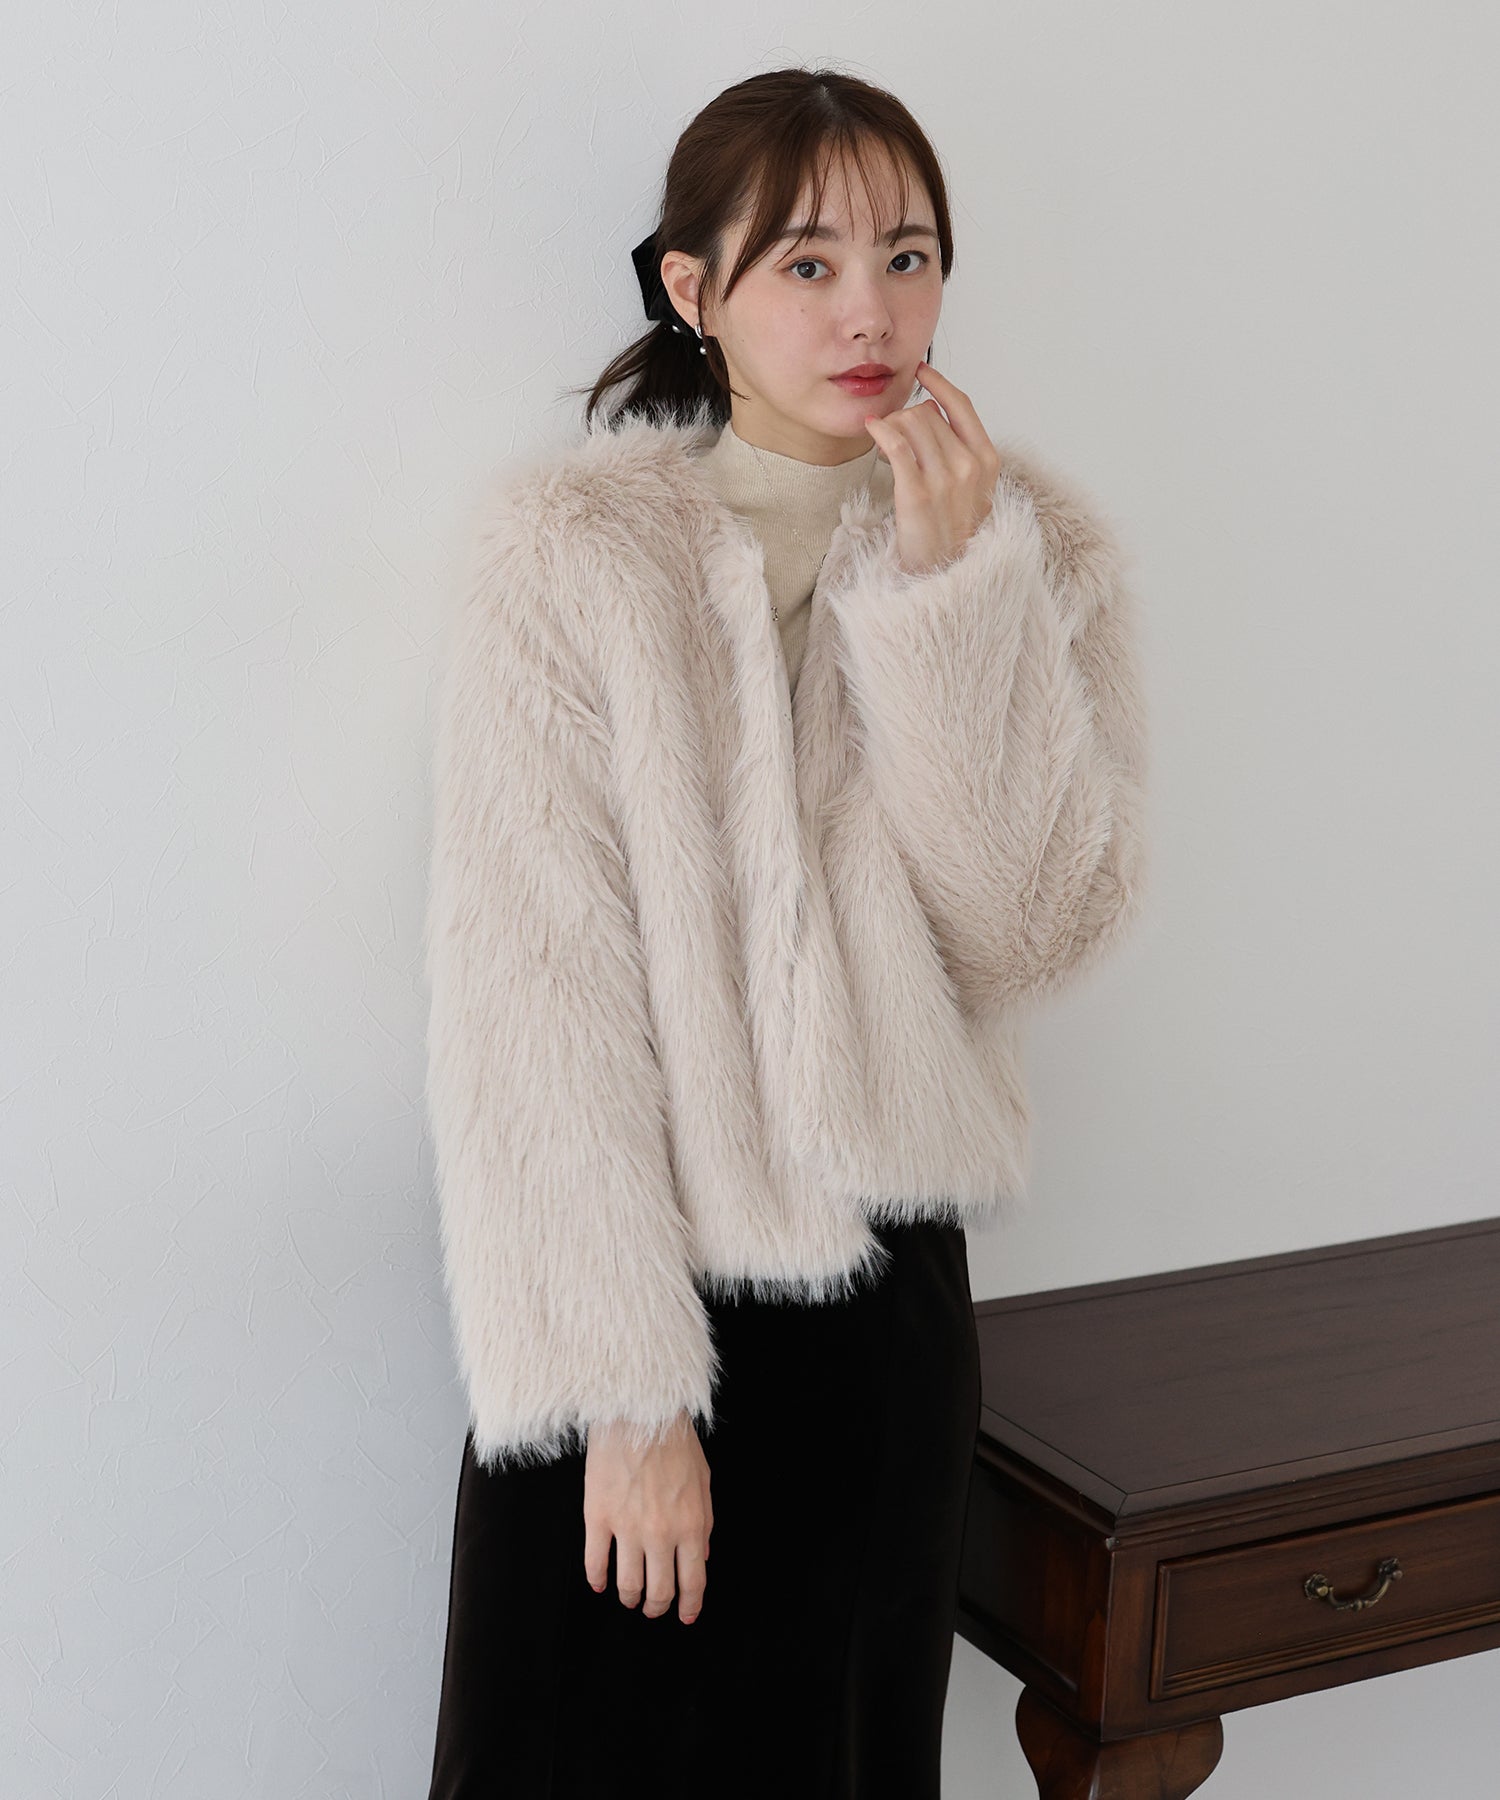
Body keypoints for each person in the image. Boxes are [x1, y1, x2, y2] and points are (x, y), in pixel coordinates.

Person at [422, 65, 1149, 1800]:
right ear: (695, 288)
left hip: (883, 1328)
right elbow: (533, 1003)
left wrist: (952, 599)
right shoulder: (573, 560)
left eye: (909, 257)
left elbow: (1030, 934)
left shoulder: (1032, 552)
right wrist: (632, 1396)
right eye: (808, 264)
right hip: (625, 1316)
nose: (870, 312)